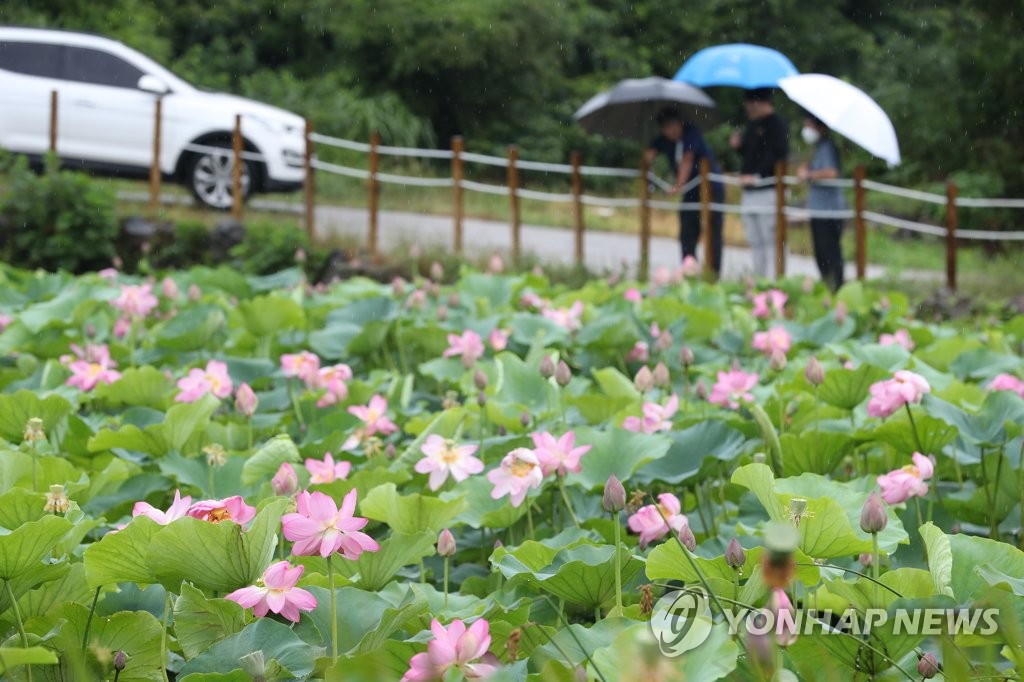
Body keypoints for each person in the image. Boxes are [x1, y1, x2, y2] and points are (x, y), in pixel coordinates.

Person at [645, 107, 725, 272]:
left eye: (674, 125)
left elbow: (687, 160)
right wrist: (648, 169)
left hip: (710, 188)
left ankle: (713, 274)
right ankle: (689, 271)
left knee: (712, 232)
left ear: (680, 123)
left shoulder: (691, 133)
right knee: (687, 231)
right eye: (667, 127)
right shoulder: (663, 140)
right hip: (691, 192)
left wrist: (678, 186)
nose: (672, 130)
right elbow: (648, 154)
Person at [729, 88, 789, 279]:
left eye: (751, 105)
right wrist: (739, 146)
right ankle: (759, 279)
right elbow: (750, 154)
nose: (749, 109)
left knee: (771, 238)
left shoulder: (778, 125)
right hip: (749, 191)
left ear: (761, 103)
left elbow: (778, 155)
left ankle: (775, 279)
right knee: (755, 239)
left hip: (769, 190)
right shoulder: (752, 125)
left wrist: (758, 175)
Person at [797, 115, 846, 290]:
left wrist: (808, 175)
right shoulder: (820, 148)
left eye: (809, 124)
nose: (806, 128)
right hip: (820, 210)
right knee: (821, 254)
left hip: (829, 211)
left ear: (820, 127)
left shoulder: (827, 147)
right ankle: (829, 287)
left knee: (830, 254)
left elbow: (832, 173)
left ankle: (837, 289)